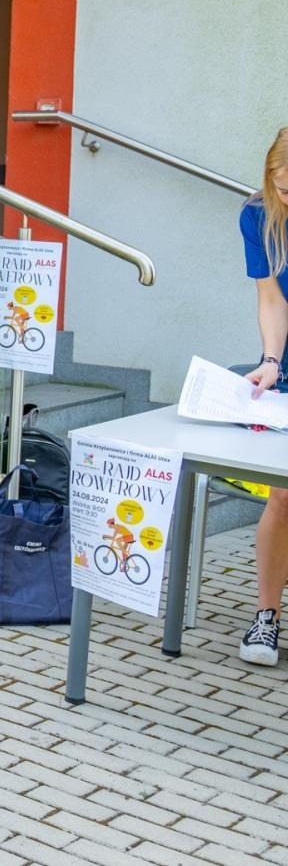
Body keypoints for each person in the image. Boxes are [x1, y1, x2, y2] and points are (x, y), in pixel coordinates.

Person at [238, 127, 288, 665]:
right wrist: (271, 361)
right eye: (283, 189)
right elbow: (272, 298)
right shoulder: (258, 216)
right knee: (282, 494)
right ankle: (266, 618)